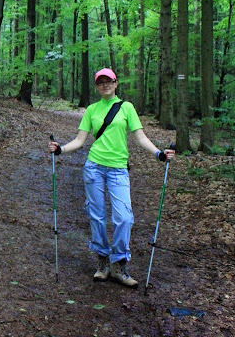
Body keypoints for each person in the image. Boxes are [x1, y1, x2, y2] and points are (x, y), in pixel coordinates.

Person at [48, 68, 175, 288]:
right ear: (96, 86)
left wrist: (159, 154)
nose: (105, 85)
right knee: (97, 216)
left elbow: (140, 137)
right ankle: (103, 262)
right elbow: (80, 141)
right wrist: (61, 149)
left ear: (116, 84)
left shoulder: (127, 108)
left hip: (118, 170)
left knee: (124, 218)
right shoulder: (91, 110)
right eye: (101, 82)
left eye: (109, 81)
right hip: (94, 167)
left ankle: (119, 264)